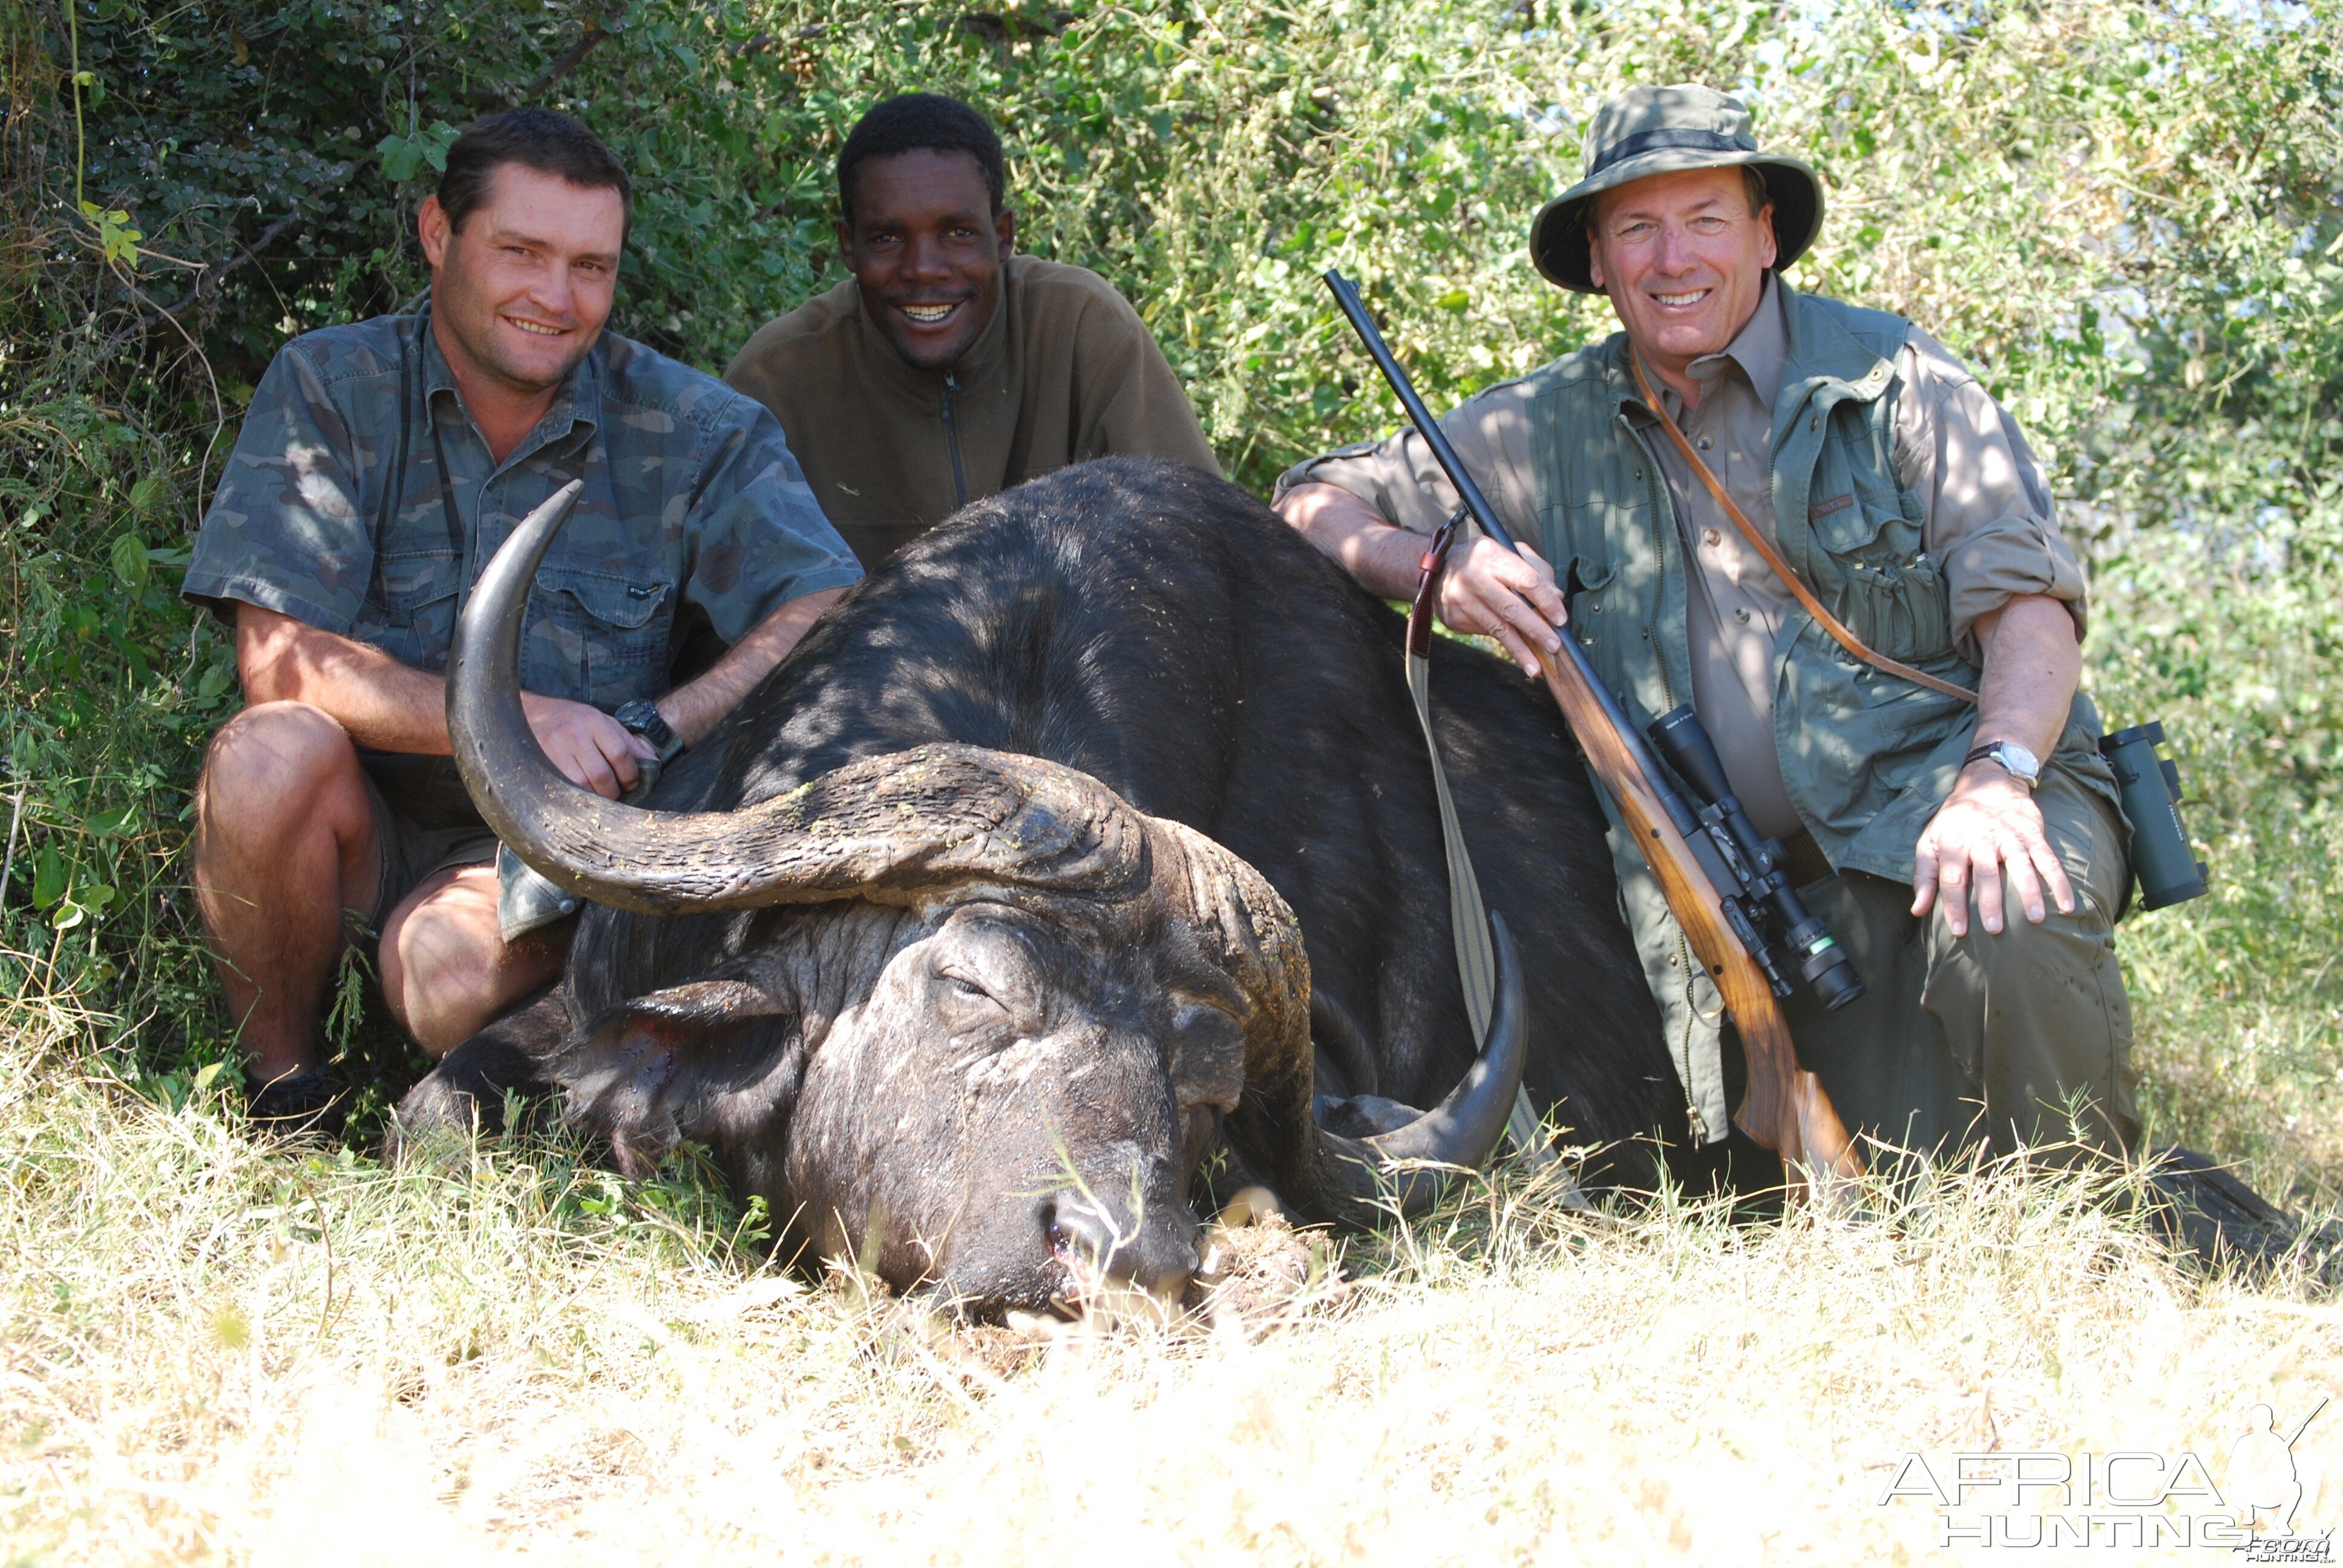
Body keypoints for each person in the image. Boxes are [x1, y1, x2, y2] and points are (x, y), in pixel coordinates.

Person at [1275, 84, 2138, 1169]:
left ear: (1765, 235)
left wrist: (1998, 779)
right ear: (1596, 259)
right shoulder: (1542, 424)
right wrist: (1436, 570)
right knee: (1867, 1181)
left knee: (2008, 903)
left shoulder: (1898, 380)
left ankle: (2090, 1224)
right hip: (1764, 899)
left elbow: (2030, 610)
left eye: (1705, 219)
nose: (1670, 258)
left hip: (1957, 797)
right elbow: (1306, 501)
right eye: (1636, 227)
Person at [185, 108, 862, 1127]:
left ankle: (534, 1045)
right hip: (357, 821)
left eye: (591, 266)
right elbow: (281, 663)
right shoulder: (331, 384)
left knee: (441, 984)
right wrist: (519, 715)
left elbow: (825, 603)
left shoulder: (690, 426)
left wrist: (665, 725)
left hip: (540, 852)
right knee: (260, 754)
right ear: (436, 234)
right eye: (522, 252)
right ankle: (287, 1093)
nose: (557, 297)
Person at [724, 93, 1221, 568]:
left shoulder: (1082, 328)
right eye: (888, 238)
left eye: (958, 234)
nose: (923, 269)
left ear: (1002, 235)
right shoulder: (779, 378)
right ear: (849, 247)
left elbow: (1202, 542)